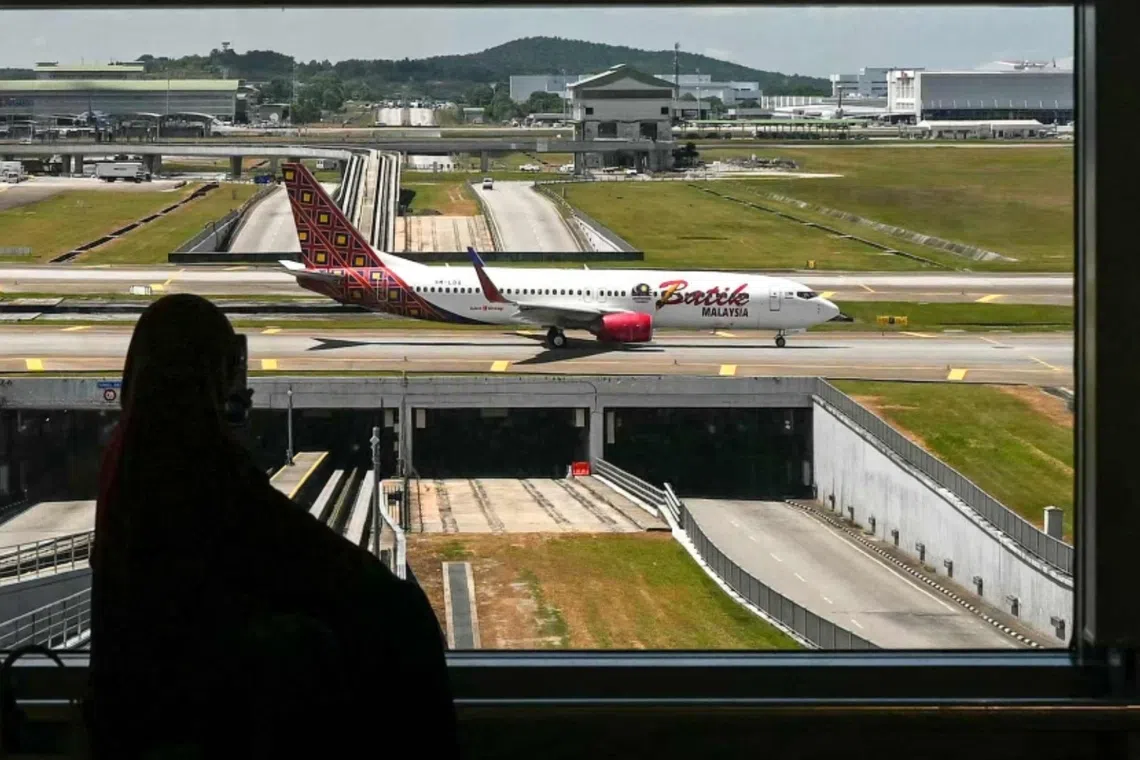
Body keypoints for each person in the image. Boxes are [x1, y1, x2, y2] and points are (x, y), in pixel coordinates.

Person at [89, 294, 458, 759]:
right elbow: (296, 546)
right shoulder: (199, 461)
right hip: (186, 710)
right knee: (396, 620)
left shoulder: (128, 455)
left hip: (131, 712)